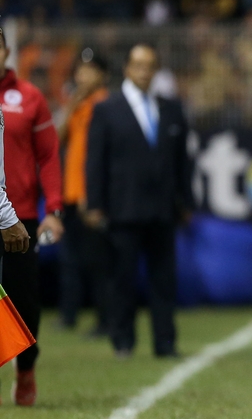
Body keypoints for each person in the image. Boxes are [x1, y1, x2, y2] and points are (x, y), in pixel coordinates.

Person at [85, 43, 193, 360]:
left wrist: (186, 201)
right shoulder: (107, 109)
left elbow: (182, 161)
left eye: (150, 66)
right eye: (139, 65)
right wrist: (95, 203)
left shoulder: (171, 108)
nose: (145, 72)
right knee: (122, 278)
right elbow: (96, 160)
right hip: (123, 208)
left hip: (162, 208)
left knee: (164, 278)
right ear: (127, 69)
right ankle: (122, 340)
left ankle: (165, 342)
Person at [0, 26, 63, 406]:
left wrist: (53, 210)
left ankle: (25, 368)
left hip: (19, 217)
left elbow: (49, 156)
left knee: (24, 302)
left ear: (7, 51)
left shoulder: (29, 97)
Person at [56, 49, 110, 336]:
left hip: (92, 195)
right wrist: (70, 107)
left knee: (99, 261)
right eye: (79, 70)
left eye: (89, 70)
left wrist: (94, 195)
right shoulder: (78, 103)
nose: (82, 76)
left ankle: (105, 320)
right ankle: (69, 315)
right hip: (71, 192)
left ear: (102, 75)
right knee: (71, 259)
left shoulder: (105, 104)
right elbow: (57, 140)